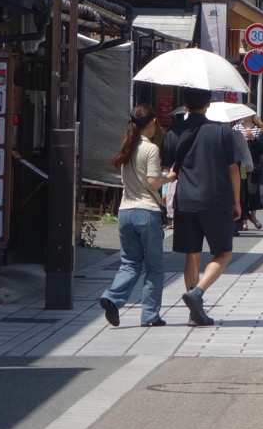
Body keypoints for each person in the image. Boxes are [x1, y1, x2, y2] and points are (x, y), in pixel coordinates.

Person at [162, 87, 242, 327]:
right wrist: (237, 201)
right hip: (216, 200)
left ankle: (193, 311)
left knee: (192, 255)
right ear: (209, 103)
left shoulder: (173, 132)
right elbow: (233, 169)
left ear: (185, 104)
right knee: (223, 252)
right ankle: (197, 293)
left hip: (185, 201)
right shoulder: (222, 132)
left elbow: (167, 169)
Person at [99, 105, 173, 328]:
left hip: (125, 211)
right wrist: (169, 178)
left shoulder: (127, 145)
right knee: (154, 268)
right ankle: (150, 315)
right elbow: (152, 182)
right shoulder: (150, 149)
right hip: (146, 212)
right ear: (151, 122)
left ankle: (112, 297)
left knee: (129, 263)